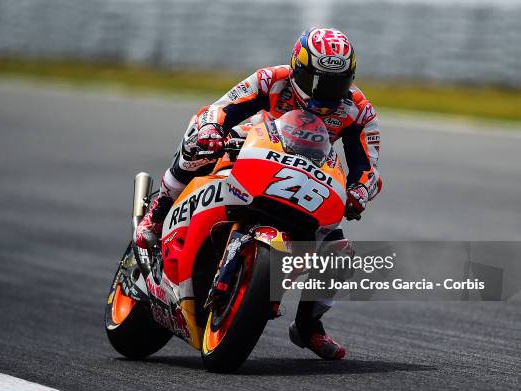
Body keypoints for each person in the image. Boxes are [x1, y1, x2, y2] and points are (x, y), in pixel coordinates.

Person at [134, 28, 382, 360]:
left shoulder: (358, 110)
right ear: (297, 69)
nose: (325, 93)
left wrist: (359, 192)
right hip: (248, 148)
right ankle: (160, 209)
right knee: (198, 143)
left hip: (305, 175)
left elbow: (368, 168)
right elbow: (221, 108)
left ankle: (307, 326)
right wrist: (212, 130)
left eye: (336, 84)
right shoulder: (271, 80)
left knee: (339, 250)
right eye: (317, 81)